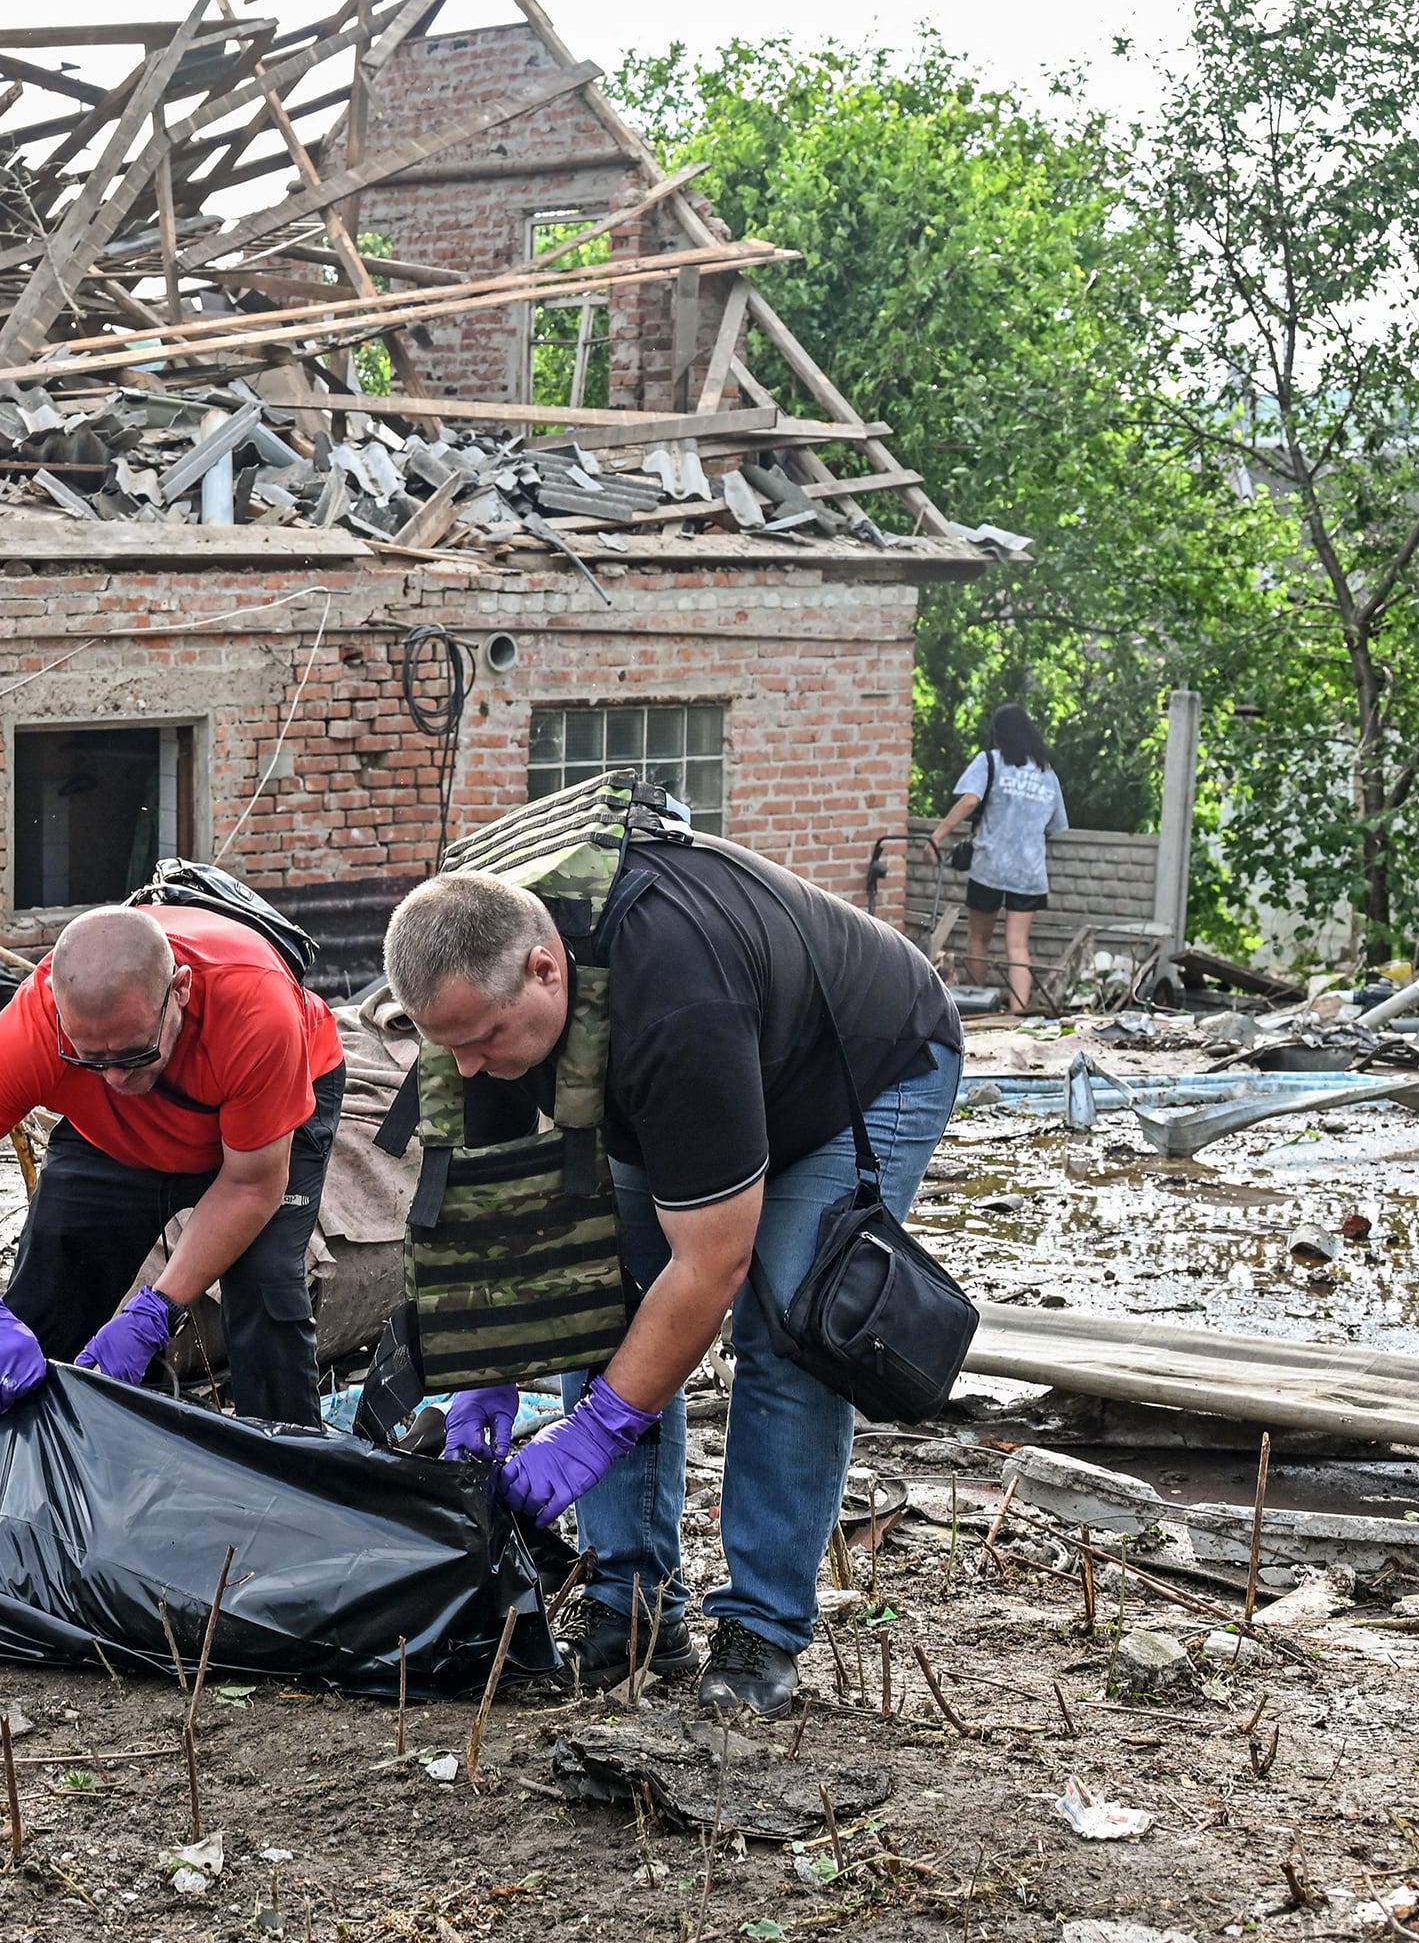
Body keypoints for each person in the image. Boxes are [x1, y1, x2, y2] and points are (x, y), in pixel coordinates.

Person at [382, 833, 961, 1716]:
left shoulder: (676, 1004)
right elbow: (490, 1208)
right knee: (601, 1303)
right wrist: (481, 1375)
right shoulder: (477, 1013)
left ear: (546, 970)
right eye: (446, 1045)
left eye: (485, 1040)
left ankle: (762, 1627)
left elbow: (713, 1265)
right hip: (689, 1079)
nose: (468, 1067)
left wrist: (598, 1429)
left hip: (855, 1068)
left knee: (788, 1332)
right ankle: (631, 1605)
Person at [0, 903, 345, 1426]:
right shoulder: (38, 1027)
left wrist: (158, 1309)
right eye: (90, 1059)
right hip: (112, 1135)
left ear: (180, 989)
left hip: (264, 1117)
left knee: (265, 1291)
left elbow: (250, 1185)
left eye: (133, 1054)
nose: (114, 1079)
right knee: (50, 1291)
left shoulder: (256, 1011)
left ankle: (286, 1461)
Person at [930, 703, 1069, 1011]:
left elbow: (970, 800)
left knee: (979, 938)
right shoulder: (1047, 774)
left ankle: (976, 1005)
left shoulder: (990, 761)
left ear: (998, 734)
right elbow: (1055, 825)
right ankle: (1018, 1012)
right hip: (1029, 873)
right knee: (1017, 945)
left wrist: (937, 837)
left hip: (989, 867)